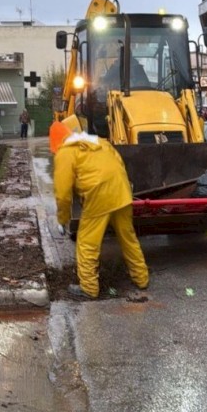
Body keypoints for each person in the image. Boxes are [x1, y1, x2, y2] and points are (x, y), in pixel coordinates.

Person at [53, 125, 149, 300]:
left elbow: (63, 193)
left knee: (87, 243)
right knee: (128, 238)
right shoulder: (100, 142)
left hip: (98, 197)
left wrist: (62, 219)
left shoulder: (66, 153)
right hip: (121, 193)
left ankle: (89, 288)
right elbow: (119, 164)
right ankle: (141, 278)